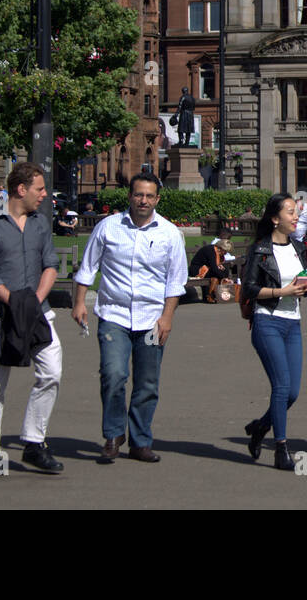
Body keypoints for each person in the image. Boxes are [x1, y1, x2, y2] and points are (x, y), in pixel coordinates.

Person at [73, 173, 187, 463]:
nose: (143, 201)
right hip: (114, 314)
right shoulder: (108, 228)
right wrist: (79, 303)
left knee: (147, 382)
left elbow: (175, 282)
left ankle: (140, 441)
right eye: (138, 195)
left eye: (149, 196)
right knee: (113, 374)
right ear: (129, 197)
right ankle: (113, 434)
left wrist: (167, 318)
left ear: (158, 199)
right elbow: (88, 267)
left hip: (152, 318)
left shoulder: (170, 233)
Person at [0, 161, 64, 475]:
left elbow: (51, 263)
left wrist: (35, 301)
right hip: (2, 315)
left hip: (39, 313)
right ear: (20, 189)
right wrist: (13, 301)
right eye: (39, 189)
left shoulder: (40, 224)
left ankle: (33, 442)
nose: (44, 195)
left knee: (51, 372)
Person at [241, 194, 307, 471]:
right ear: (274, 218)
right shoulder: (260, 250)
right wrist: (283, 291)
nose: (296, 217)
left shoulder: (297, 246)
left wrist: (304, 284)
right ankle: (281, 447)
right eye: (290, 212)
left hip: (293, 322)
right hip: (267, 321)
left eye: (296, 212)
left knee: (292, 392)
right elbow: (248, 288)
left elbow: (299, 278)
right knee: (281, 386)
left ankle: (260, 427)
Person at [192, 236, 233, 303]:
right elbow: (214, 268)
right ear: (220, 248)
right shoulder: (211, 251)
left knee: (221, 273)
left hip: (207, 268)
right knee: (216, 275)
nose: (225, 253)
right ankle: (210, 295)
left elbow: (218, 267)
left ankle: (213, 295)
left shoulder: (218, 252)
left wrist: (225, 276)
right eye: (225, 251)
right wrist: (224, 277)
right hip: (198, 269)